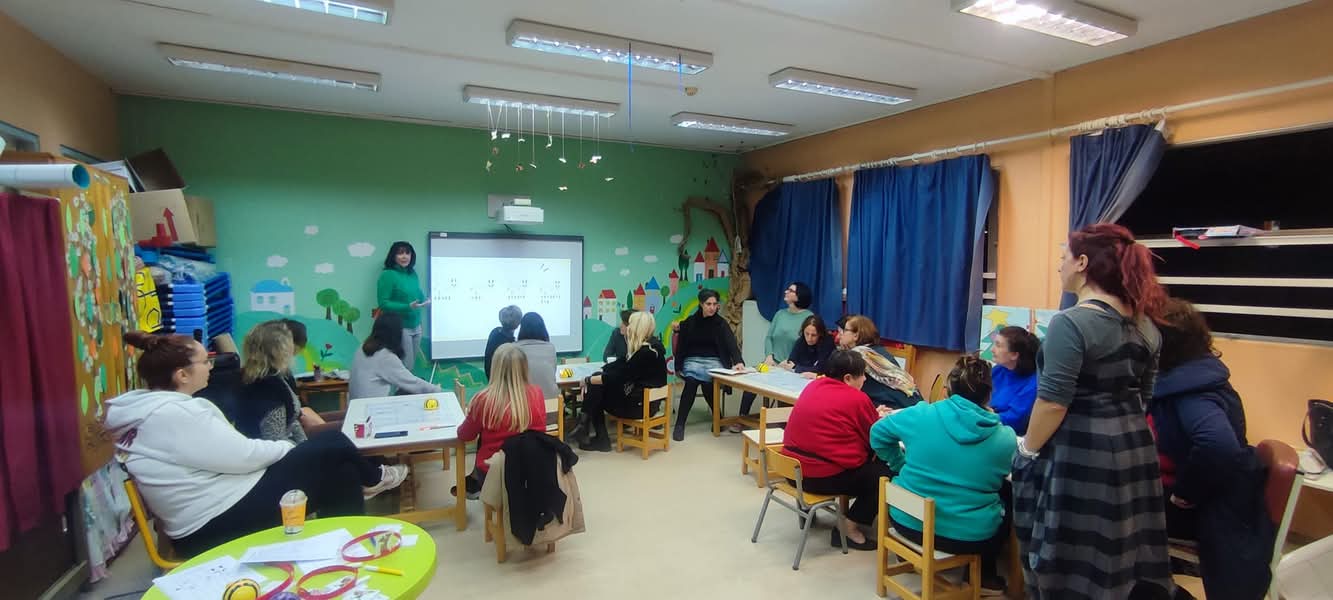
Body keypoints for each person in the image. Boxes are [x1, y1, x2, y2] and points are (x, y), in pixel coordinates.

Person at [105, 332, 408, 558]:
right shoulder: (176, 414)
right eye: (205, 361)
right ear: (182, 375)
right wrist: (290, 451)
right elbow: (243, 456)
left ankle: (342, 552)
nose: (211, 366)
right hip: (212, 526)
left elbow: (231, 456)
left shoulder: (150, 412)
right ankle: (373, 481)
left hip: (217, 507)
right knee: (332, 443)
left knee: (340, 469)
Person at [1012, 223, 1177, 600]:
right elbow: (1145, 396)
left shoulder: (1070, 323)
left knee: (1071, 559)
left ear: (1082, 263)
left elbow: (1053, 402)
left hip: (1082, 453)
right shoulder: (1146, 326)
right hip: (1136, 449)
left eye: (1063, 258)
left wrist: (1027, 451)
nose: (1060, 266)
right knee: (1121, 552)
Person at [1151, 298, 1272, 600]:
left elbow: (1218, 445)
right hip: (1219, 496)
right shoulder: (1200, 372)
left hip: (1208, 506)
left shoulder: (1191, 390)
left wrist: (1185, 493)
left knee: (1110, 509)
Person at [871, 355, 1017, 595]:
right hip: (967, 537)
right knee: (1007, 499)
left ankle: (908, 553)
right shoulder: (1005, 437)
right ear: (989, 396)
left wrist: (899, 463)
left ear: (948, 389)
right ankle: (985, 577)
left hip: (906, 521)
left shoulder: (920, 414)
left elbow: (877, 434)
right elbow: (999, 476)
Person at [779, 349, 890, 551]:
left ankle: (808, 508)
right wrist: (877, 417)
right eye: (862, 375)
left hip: (792, 471)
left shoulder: (813, 386)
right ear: (848, 378)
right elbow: (874, 437)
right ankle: (848, 528)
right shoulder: (857, 399)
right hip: (820, 476)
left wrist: (871, 413)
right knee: (884, 475)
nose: (865, 379)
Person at [455, 344, 547, 499]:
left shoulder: (483, 399)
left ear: (495, 368)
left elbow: (465, 435)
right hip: (531, 469)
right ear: (524, 367)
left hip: (493, 473)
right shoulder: (537, 393)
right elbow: (541, 432)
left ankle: (479, 490)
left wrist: (471, 416)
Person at [575, 312, 669, 451]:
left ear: (636, 327)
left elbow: (618, 377)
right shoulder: (652, 348)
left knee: (596, 389)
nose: (627, 327)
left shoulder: (644, 353)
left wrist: (588, 380)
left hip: (640, 407)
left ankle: (592, 432)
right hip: (646, 402)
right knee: (597, 383)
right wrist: (600, 372)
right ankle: (586, 428)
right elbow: (621, 365)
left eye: (630, 324)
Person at [733, 282, 816, 432]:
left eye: (790, 290)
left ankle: (782, 425)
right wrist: (769, 356)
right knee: (752, 379)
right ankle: (742, 418)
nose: (786, 292)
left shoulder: (808, 318)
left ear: (799, 296)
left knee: (783, 391)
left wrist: (791, 362)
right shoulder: (780, 314)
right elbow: (769, 337)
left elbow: (806, 345)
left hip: (790, 366)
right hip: (771, 363)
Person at [672, 289, 744, 442]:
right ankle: (680, 425)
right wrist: (678, 366)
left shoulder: (721, 323)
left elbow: (731, 343)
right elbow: (680, 342)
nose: (712, 307)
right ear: (701, 304)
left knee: (707, 384)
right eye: (708, 304)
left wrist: (738, 361)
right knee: (691, 383)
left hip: (713, 362)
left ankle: (718, 419)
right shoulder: (691, 322)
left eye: (715, 304)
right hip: (692, 361)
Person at [235, 321, 321, 444]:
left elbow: (292, 423)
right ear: (280, 350)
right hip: (274, 451)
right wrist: (305, 450)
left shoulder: (272, 376)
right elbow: (275, 441)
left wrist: (305, 445)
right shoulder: (267, 388)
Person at [836, 315, 922, 410]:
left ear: (856, 335)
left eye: (844, 330)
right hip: (911, 403)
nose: (840, 335)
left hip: (891, 407)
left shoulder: (858, 355)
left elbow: (840, 385)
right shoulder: (876, 350)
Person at [349, 313, 443, 400]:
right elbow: (411, 382)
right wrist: (436, 389)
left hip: (356, 407)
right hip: (373, 408)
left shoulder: (362, 347)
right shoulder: (385, 357)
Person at [377, 241, 429, 370]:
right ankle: (401, 385)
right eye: (400, 253)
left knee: (410, 366)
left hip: (416, 325)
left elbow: (417, 291)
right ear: (393, 256)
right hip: (400, 326)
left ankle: (406, 383)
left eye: (407, 253)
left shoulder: (412, 273)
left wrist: (426, 300)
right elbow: (383, 303)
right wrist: (407, 307)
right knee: (405, 366)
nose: (404, 256)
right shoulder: (388, 275)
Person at [989, 326, 1040, 435]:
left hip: (1008, 434)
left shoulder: (1032, 383)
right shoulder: (998, 370)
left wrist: (981, 415)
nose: (992, 349)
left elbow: (1015, 419)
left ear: (1014, 355)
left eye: (998, 345)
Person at [515, 312, 559, 399]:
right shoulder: (550, 348)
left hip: (523, 403)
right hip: (551, 401)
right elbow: (552, 372)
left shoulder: (514, 349)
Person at [782, 314, 835, 378]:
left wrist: (796, 367)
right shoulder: (801, 340)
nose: (809, 339)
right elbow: (791, 362)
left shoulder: (828, 343)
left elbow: (822, 369)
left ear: (820, 334)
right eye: (807, 333)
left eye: (813, 335)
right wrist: (789, 365)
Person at [484, 305, 523, 380]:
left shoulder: (495, 332)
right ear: (518, 322)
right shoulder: (511, 345)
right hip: (504, 382)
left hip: (492, 379)